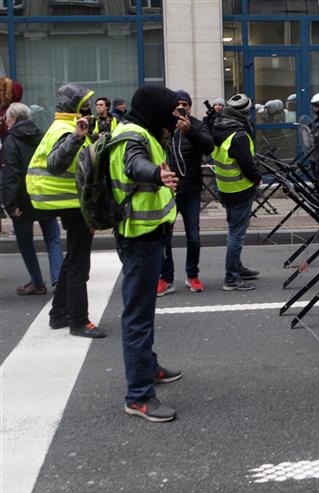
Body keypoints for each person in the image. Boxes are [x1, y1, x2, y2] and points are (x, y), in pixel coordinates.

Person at [109, 84, 183, 422]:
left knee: (144, 311)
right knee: (137, 316)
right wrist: (156, 174)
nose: (172, 119)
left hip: (150, 235)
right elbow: (134, 165)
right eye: (169, 112)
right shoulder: (131, 137)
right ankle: (138, 396)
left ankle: (148, 368)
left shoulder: (143, 130)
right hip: (139, 238)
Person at [26, 84, 106, 338]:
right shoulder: (67, 130)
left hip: (68, 203)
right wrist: (78, 137)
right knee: (79, 266)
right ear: (73, 106)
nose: (89, 108)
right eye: (84, 103)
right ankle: (79, 321)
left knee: (72, 260)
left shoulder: (64, 126)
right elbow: (55, 165)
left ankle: (58, 314)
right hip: (71, 205)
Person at [1, 102, 64, 295]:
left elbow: (11, 174)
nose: (5, 121)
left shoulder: (11, 141)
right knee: (53, 239)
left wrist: (10, 205)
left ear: (12, 119)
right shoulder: (42, 135)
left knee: (25, 242)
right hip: (44, 196)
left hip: (22, 200)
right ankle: (59, 282)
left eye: (7, 119)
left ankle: (37, 282)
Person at [157, 90, 215, 296]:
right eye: (178, 104)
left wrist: (190, 131)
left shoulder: (197, 125)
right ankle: (165, 277)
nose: (181, 107)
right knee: (165, 236)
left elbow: (209, 147)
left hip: (191, 188)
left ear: (190, 107)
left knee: (194, 236)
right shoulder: (164, 126)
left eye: (185, 104)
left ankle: (192, 275)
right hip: (169, 190)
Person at [211, 93, 262, 290]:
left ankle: (237, 268)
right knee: (237, 234)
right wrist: (257, 179)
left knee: (234, 230)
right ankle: (231, 278)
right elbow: (248, 166)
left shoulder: (219, 127)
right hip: (240, 189)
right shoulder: (238, 135)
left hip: (225, 188)